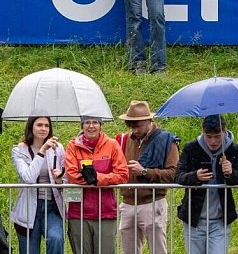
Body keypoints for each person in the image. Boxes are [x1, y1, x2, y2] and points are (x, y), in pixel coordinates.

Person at [175, 115, 238, 254]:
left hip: (220, 220)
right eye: (209, 137)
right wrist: (194, 176)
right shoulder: (191, 148)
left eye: (217, 136)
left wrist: (230, 173)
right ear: (203, 132)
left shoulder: (234, 149)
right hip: (194, 219)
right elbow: (178, 176)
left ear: (225, 132)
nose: (213, 141)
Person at [116, 101, 180, 254]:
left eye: (138, 125)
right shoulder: (126, 140)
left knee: (157, 250)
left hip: (153, 202)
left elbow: (174, 174)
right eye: (131, 125)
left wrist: (145, 172)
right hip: (128, 203)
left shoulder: (166, 140)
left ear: (149, 121)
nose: (135, 129)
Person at [64, 116, 130, 254]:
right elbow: (71, 175)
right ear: (82, 125)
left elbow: (123, 174)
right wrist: (94, 179)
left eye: (95, 122)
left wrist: (97, 178)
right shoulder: (72, 146)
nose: (91, 126)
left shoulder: (112, 145)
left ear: (101, 125)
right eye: (87, 122)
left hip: (105, 211)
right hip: (79, 212)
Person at [11, 117, 65, 254]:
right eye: (39, 125)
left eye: (47, 125)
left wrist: (59, 180)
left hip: (52, 207)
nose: (43, 129)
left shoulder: (58, 148)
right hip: (28, 208)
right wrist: (42, 151)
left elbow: (65, 178)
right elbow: (28, 178)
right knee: (30, 250)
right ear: (31, 127)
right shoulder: (19, 150)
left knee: (56, 238)